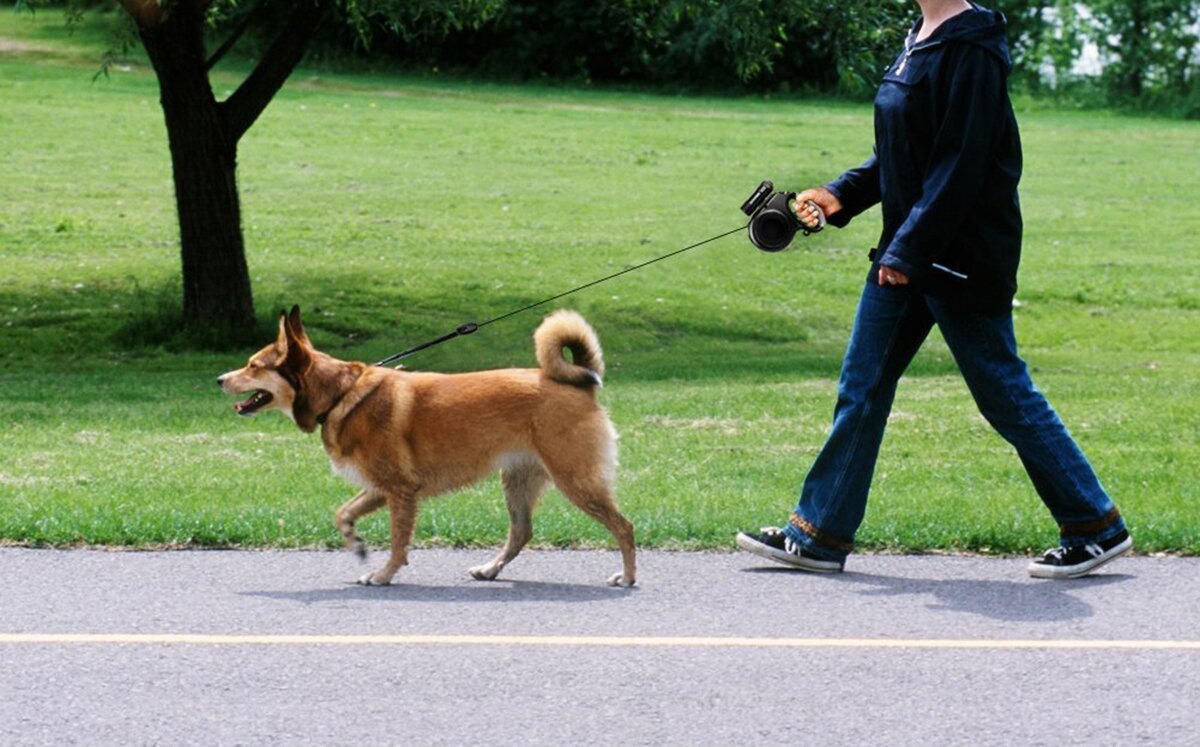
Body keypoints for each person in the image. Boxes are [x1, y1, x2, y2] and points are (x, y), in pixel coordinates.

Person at [735, 0, 1131, 579]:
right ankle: (818, 533)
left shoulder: (972, 47)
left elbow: (960, 164)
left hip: (959, 257)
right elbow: (905, 153)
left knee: (1002, 391)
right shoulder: (921, 36)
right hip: (910, 251)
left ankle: (1095, 525)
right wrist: (837, 193)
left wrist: (909, 251)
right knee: (862, 386)